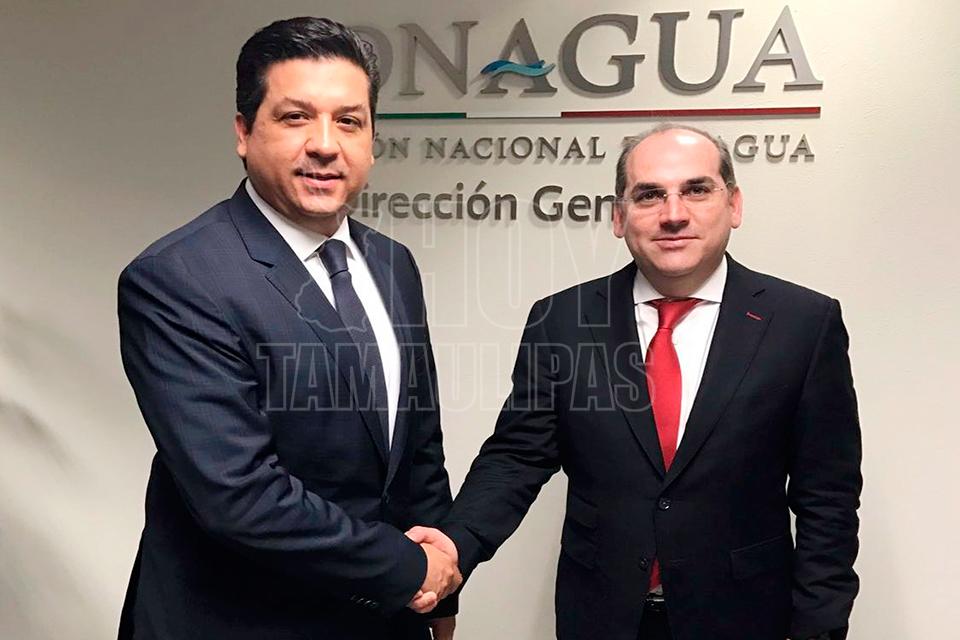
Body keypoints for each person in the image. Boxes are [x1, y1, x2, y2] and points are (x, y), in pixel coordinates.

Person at [410, 124, 862, 640]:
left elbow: (828, 496)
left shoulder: (803, 323)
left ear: (734, 205)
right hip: (601, 617)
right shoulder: (563, 320)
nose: (673, 214)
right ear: (619, 217)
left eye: (696, 189)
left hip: (744, 617)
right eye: (649, 195)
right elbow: (517, 457)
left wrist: (820, 626)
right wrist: (455, 545)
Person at [117, 17, 459, 640]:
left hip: (385, 617)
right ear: (244, 132)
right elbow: (239, 496)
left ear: (372, 141)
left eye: (348, 121)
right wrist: (411, 570)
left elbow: (418, 447)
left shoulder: (392, 263)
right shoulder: (177, 278)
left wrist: (439, 594)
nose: (325, 144)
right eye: (296, 117)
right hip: (239, 622)